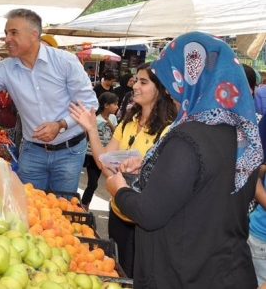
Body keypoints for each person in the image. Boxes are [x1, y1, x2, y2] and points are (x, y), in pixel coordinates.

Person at [108, 32, 261, 288]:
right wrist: (153, 164)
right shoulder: (241, 136)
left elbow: (149, 213)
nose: (168, 90)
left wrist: (119, 190)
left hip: (184, 274)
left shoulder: (187, 137)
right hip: (227, 270)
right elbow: (208, 184)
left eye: (171, 79)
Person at [0, 8, 98, 193]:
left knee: (63, 210)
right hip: (33, 151)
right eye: (6, 33)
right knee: (26, 205)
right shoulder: (6, 69)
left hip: (69, 151)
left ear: (34, 35)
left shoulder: (65, 62)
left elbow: (89, 105)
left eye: (13, 33)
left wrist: (60, 124)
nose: (7, 39)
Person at [69, 62, 176, 277]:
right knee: (117, 270)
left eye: (143, 82)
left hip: (143, 221)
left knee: (137, 274)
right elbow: (103, 162)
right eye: (136, 80)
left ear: (162, 88)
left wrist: (118, 177)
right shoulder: (128, 122)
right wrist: (91, 129)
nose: (135, 86)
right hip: (118, 211)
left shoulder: (169, 131)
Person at [82, 92, 118, 211]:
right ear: (106, 105)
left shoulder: (113, 118)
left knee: (106, 181)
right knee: (93, 183)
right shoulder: (96, 120)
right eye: (114, 104)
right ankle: (84, 205)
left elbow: (116, 133)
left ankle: (87, 204)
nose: (117, 107)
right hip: (92, 156)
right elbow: (90, 137)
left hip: (106, 155)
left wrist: (110, 124)